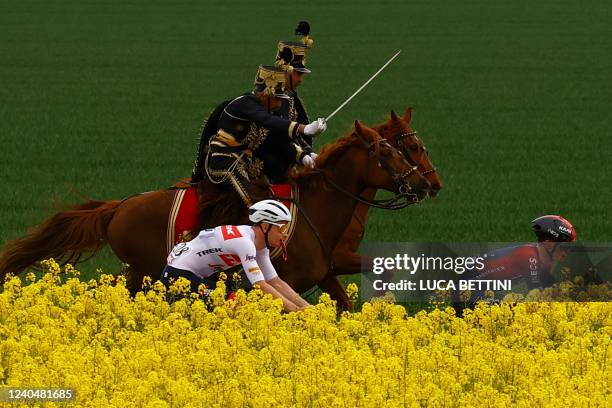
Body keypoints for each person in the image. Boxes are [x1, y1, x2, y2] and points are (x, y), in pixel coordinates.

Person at [191, 65, 325, 200]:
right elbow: (267, 120)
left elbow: (279, 139)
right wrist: (304, 128)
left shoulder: (265, 109)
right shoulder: (246, 103)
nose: (279, 105)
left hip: (244, 166)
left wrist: (304, 156)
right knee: (254, 202)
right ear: (265, 94)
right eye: (277, 99)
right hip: (225, 164)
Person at [160, 199, 310, 312]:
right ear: (265, 226)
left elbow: (275, 282)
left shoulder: (259, 246)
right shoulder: (245, 243)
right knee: (239, 303)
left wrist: (308, 308)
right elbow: (261, 285)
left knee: (241, 298)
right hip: (178, 276)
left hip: (190, 274)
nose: (286, 234)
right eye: (282, 228)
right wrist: (296, 311)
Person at [452, 215, 577, 315]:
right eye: (564, 247)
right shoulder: (529, 255)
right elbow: (537, 293)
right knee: (514, 311)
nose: (567, 252)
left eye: (570, 249)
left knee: (514, 308)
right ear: (549, 243)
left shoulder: (540, 259)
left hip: (484, 290)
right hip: (466, 288)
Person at [255, 21, 318, 183]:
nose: (301, 80)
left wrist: (308, 151)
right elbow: (278, 135)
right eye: (298, 74)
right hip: (266, 166)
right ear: (286, 72)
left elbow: (294, 133)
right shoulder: (271, 98)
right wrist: (302, 155)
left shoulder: (292, 98)